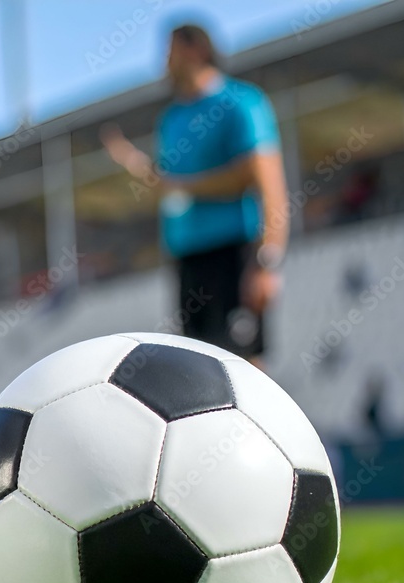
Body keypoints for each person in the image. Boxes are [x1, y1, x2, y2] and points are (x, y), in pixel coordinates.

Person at [101, 24, 289, 364]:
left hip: (232, 253)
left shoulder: (241, 102)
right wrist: (133, 162)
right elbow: (167, 182)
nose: (163, 63)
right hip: (188, 260)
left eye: (169, 52)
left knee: (245, 369)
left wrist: (266, 262)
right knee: (199, 369)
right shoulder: (171, 119)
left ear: (194, 51)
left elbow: (266, 183)